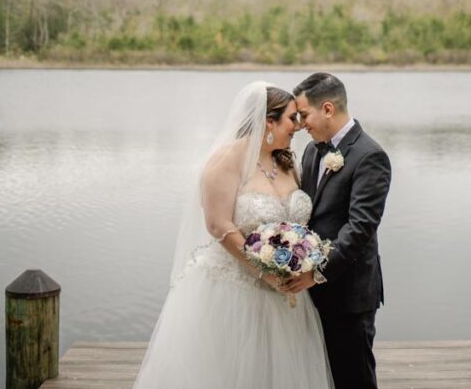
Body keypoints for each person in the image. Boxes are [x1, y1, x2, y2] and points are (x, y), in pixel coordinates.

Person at [131, 81, 334, 389]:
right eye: (292, 118)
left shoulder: (288, 161)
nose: (298, 126)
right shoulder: (226, 160)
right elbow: (218, 225)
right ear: (269, 121)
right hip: (234, 291)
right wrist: (263, 270)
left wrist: (298, 260)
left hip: (286, 297)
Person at [283, 72, 392, 389]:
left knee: (353, 379)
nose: (301, 123)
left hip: (348, 294)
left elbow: (359, 229)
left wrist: (315, 271)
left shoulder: (370, 156)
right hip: (311, 294)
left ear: (328, 109)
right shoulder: (312, 150)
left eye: (304, 114)